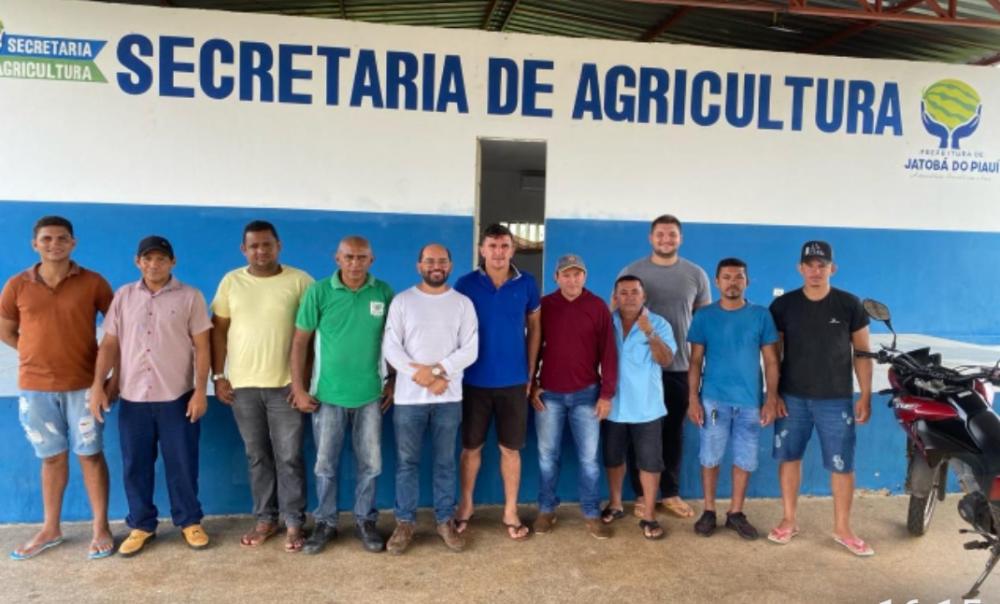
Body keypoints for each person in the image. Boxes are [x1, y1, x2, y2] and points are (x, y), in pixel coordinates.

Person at [0, 216, 115, 560]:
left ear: (73, 243)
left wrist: (110, 379)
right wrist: (34, 352)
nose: (54, 244)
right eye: (47, 239)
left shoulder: (94, 282)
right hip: (35, 389)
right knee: (51, 458)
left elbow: (117, 331)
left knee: (90, 455)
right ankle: (51, 528)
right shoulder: (17, 285)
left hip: (83, 387)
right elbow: (6, 330)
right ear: (35, 244)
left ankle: (101, 527)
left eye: (62, 238)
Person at [89, 235, 212, 557]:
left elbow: (202, 346)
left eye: (160, 259)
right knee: (135, 465)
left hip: (177, 396)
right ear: (137, 262)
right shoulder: (124, 297)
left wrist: (201, 391)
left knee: (183, 463)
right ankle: (142, 525)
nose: (153, 264)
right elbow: (110, 345)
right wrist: (97, 386)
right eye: (147, 259)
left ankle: (189, 521)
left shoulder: (190, 297)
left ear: (172, 262)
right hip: (133, 398)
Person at [210, 220, 314, 552]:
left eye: (267, 244)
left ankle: (295, 523)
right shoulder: (231, 281)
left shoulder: (300, 281)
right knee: (257, 456)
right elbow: (218, 331)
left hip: (286, 387)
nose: (261, 250)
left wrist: (303, 383)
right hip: (243, 388)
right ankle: (266, 519)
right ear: (244, 249)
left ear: (278, 245)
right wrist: (218, 376)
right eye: (253, 246)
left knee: (289, 457)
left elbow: (311, 337)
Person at [768, 240, 874, 556]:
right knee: (789, 458)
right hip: (792, 399)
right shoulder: (783, 307)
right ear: (800, 268)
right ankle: (788, 520)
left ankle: (843, 528)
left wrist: (865, 394)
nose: (816, 271)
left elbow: (863, 352)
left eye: (822, 265)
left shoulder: (850, 305)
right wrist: (773, 395)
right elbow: (773, 356)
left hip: (836, 400)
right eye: (810, 265)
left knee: (842, 465)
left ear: (832, 268)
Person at [290, 235, 393, 554]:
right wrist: (298, 387)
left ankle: (365, 520)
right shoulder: (318, 292)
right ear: (337, 258)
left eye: (362, 257)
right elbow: (299, 343)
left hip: (370, 396)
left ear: (371, 260)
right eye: (348, 257)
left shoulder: (383, 292)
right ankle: (326, 522)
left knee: (371, 464)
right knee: (325, 465)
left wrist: (393, 383)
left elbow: (394, 343)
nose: (355, 263)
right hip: (327, 397)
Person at [381, 243, 478, 554]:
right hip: (409, 401)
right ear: (418, 265)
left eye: (442, 261)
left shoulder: (462, 303)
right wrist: (419, 376)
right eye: (429, 261)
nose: (436, 266)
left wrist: (436, 372)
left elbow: (470, 349)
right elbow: (391, 348)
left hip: (448, 399)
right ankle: (405, 522)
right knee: (407, 463)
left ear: (450, 265)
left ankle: (444, 521)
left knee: (445, 463)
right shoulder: (402, 301)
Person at [619, 214, 710, 519]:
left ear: (680, 239)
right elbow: (615, 313)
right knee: (637, 434)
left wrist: (700, 366)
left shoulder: (696, 275)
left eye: (672, 235)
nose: (666, 240)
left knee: (672, 434)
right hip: (638, 372)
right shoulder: (632, 270)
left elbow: (703, 324)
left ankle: (670, 493)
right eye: (660, 234)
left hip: (678, 368)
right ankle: (642, 497)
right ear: (651, 237)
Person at [454, 223, 541, 541]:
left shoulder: (527, 284)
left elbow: (535, 327)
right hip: (473, 380)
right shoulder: (465, 284)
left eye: (504, 246)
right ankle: (465, 507)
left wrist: (531, 373)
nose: (498, 252)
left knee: (510, 450)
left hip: (514, 382)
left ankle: (510, 510)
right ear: (481, 250)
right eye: (492, 246)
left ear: (512, 249)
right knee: (470, 448)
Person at [687, 258, 780, 540]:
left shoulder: (761, 316)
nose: (732, 282)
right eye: (726, 277)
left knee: (745, 459)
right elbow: (695, 362)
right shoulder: (704, 316)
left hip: (750, 402)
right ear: (717, 282)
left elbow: (771, 361)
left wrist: (771, 398)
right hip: (713, 400)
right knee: (710, 457)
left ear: (747, 282)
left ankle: (735, 513)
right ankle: (709, 511)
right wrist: (693, 398)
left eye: (738, 277)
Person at [531, 254, 616, 539]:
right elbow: (531, 349)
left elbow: (609, 353)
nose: (572, 279)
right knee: (546, 457)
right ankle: (546, 509)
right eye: (566, 274)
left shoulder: (597, 306)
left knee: (590, 459)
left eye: (577, 274)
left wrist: (606, 395)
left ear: (585, 276)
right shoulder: (545, 306)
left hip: (587, 396)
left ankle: (591, 513)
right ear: (556, 277)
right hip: (549, 396)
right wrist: (531, 385)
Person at [602, 275, 676, 540]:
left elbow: (666, 359)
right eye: (623, 292)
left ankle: (649, 516)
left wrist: (649, 332)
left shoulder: (659, 323)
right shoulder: (606, 322)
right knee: (613, 458)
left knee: (649, 462)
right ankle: (616, 503)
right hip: (613, 406)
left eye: (635, 292)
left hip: (647, 408)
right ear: (616, 296)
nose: (629, 297)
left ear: (644, 296)